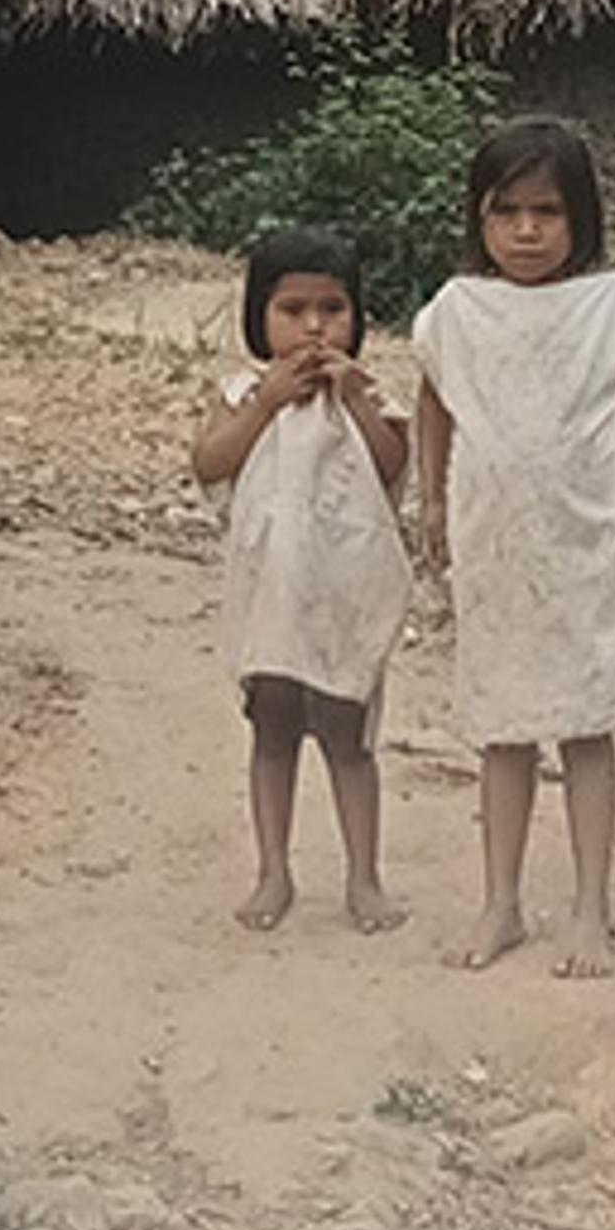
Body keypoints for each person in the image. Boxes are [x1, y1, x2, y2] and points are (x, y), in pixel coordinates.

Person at [412, 118, 615, 978]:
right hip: (494, 549)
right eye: (506, 212)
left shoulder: (612, 306)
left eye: (547, 211)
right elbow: (433, 400)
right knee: (502, 727)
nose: (527, 231)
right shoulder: (457, 311)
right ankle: (501, 903)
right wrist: (430, 494)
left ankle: (591, 909)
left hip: (581, 546)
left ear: (582, 219)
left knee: (585, 726)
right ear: (478, 218)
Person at [191, 225, 413, 933]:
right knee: (273, 730)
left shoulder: (370, 398)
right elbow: (209, 462)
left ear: (359, 318)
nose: (314, 326)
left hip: (343, 591)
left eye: (333, 308)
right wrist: (265, 402)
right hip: (271, 594)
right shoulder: (242, 392)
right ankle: (273, 871)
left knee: (349, 736)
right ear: (259, 315)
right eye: (293, 309)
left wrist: (352, 398)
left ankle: (364, 878)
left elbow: (389, 467)